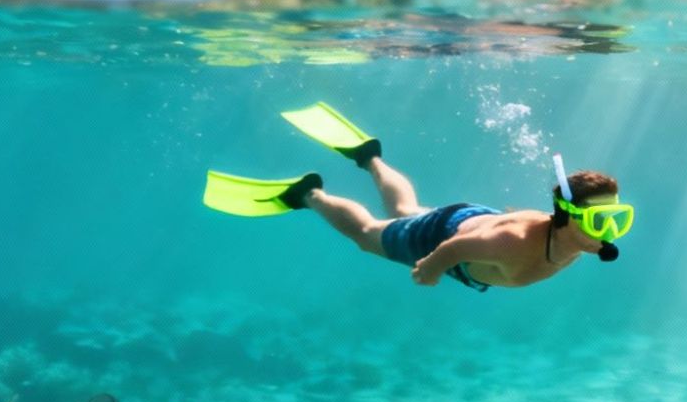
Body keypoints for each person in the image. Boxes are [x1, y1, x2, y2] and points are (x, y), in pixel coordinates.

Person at [202, 103, 633, 291]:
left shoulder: (573, 237)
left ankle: (370, 158)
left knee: (405, 211)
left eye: (617, 219)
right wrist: (429, 268)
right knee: (370, 234)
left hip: (470, 221)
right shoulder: (515, 242)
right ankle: (309, 193)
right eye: (599, 221)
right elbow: (457, 247)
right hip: (446, 236)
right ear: (568, 217)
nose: (609, 231)